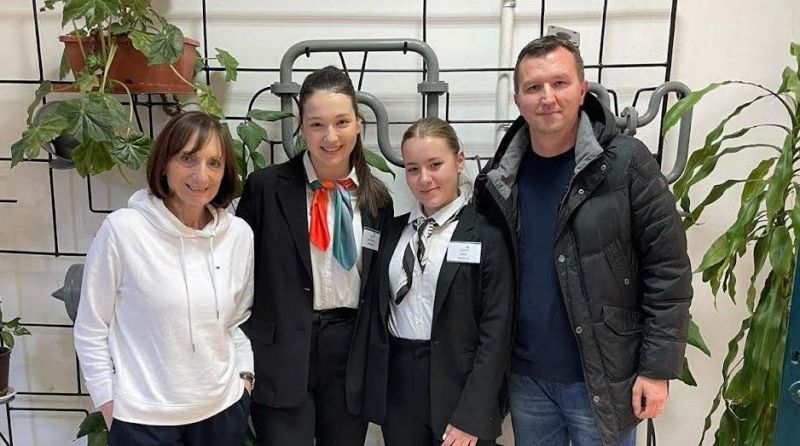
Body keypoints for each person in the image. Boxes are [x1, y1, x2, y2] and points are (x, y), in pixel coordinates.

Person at [474, 36, 693, 446]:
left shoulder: (627, 162)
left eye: (559, 83)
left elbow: (668, 270)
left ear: (581, 89)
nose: (547, 97)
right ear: (518, 100)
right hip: (526, 381)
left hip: (602, 380)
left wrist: (656, 369)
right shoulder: (499, 178)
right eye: (533, 87)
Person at [74, 111, 255, 445]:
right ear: (164, 164)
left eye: (214, 163)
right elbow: (91, 327)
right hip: (143, 420)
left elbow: (238, 321)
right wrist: (108, 402)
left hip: (223, 412)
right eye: (188, 158)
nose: (201, 174)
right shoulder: (123, 230)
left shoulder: (238, 235)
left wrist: (244, 378)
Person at [236, 65, 394, 446]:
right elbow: (237, 278)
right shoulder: (265, 189)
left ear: (359, 124)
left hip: (348, 355)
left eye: (341, 122)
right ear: (301, 128)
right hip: (281, 352)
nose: (330, 136)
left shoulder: (377, 200)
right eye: (317, 125)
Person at [354, 117, 514, 446]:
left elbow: (496, 334)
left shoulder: (486, 236)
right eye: (413, 169)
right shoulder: (393, 231)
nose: (424, 179)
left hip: (460, 388)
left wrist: (473, 413)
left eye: (435, 165)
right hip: (399, 389)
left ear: (459, 160)